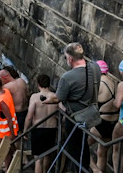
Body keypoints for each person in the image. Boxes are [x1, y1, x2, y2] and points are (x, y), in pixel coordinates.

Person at [43, 42, 99, 170]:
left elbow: (58, 98)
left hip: (75, 117)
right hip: (90, 112)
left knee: (75, 150)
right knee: (83, 146)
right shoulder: (95, 68)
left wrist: (48, 99)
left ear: (70, 58)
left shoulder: (67, 77)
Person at [26, 75, 58, 173]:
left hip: (38, 129)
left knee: (38, 159)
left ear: (38, 84)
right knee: (47, 155)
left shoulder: (35, 97)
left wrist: (25, 130)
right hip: (52, 129)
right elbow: (63, 110)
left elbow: (29, 116)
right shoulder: (55, 96)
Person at [92, 60, 120, 173]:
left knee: (78, 143)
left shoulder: (99, 84)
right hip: (113, 124)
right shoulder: (115, 83)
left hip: (102, 123)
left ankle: (95, 170)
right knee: (102, 153)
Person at [0, 66, 29, 132]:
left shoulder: (6, 87)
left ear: (4, 78)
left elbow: (1, 102)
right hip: (26, 111)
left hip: (17, 114)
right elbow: (27, 93)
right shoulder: (21, 81)